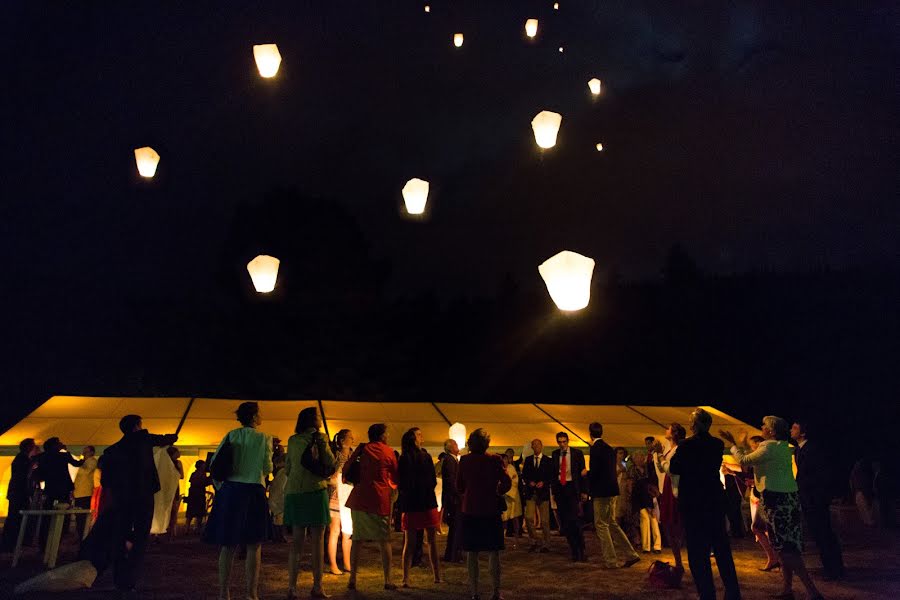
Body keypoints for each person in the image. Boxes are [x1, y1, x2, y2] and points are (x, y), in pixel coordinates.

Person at [724, 417, 824, 600]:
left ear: (770, 431)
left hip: (776, 500)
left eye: (764, 426)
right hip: (788, 498)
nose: (761, 427)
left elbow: (745, 460)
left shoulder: (768, 447)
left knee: (787, 549)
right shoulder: (783, 446)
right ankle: (787, 589)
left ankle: (813, 592)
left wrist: (733, 444)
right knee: (783, 545)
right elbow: (756, 460)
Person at [79, 415, 178, 594]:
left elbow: (106, 481)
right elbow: (165, 439)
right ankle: (129, 578)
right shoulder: (143, 440)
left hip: (122, 500)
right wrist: (172, 437)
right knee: (140, 537)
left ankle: (120, 576)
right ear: (136, 426)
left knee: (120, 534)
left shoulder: (112, 451)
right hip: (143, 497)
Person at [669, 409, 740, 600]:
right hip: (714, 499)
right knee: (722, 548)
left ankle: (707, 593)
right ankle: (733, 591)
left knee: (697, 552)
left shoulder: (686, 445)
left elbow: (674, 467)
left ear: (693, 425)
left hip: (693, 502)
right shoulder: (717, 444)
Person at [204, 402, 273, 600]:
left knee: (228, 544)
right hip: (254, 491)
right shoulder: (264, 438)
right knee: (254, 544)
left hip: (232, 491)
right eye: (259, 414)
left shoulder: (231, 435)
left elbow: (216, 462)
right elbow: (267, 468)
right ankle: (252, 593)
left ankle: (223, 591)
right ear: (253, 417)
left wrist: (221, 488)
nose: (262, 417)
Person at [283, 407, 334, 599]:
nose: (321, 419)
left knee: (296, 542)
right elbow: (329, 462)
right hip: (315, 492)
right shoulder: (321, 438)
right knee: (318, 543)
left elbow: (288, 468)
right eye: (319, 416)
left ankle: (291, 588)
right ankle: (317, 587)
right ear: (313, 420)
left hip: (295, 493)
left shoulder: (293, 440)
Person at [343, 423, 399, 591]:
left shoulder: (362, 449)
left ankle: (352, 578)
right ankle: (388, 579)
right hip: (379, 499)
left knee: (357, 539)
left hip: (359, 498)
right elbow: (395, 476)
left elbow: (346, 468)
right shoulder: (388, 451)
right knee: (384, 540)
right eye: (386, 433)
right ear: (382, 435)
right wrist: (392, 486)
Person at [457, 428, 512, 600]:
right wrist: (498, 491)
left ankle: (474, 592)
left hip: (471, 510)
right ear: (487, 443)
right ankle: (496, 592)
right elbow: (507, 482)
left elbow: (459, 486)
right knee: (493, 552)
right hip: (491, 510)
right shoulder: (494, 460)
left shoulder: (464, 460)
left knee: (472, 553)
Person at [791, 420, 844, 580]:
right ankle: (830, 567)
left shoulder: (812, 450)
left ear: (803, 433)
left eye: (794, 428)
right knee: (819, 534)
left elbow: (820, 474)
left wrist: (818, 496)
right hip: (809, 498)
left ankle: (834, 569)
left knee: (824, 533)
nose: (790, 430)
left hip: (816, 499)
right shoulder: (799, 450)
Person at [586, 422, 640, 568]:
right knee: (611, 523)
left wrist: (587, 474)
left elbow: (596, 471)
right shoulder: (610, 449)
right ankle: (631, 554)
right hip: (611, 491)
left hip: (601, 492)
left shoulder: (595, 449)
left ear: (590, 434)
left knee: (601, 525)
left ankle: (611, 560)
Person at [397, 427, 442, 587]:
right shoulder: (425, 456)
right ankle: (436, 576)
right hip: (426, 501)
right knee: (431, 541)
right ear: (413, 439)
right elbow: (432, 480)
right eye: (419, 434)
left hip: (411, 503)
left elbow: (401, 483)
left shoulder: (404, 458)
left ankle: (405, 578)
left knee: (410, 542)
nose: (422, 436)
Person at [35, 437, 85, 548]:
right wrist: (70, 452)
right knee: (64, 512)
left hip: (50, 487)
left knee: (47, 514)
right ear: (55, 446)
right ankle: (61, 538)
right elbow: (77, 464)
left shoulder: (43, 457)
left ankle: (43, 542)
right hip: (63, 488)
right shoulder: (63, 456)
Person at [653, 423, 686, 571]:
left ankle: (679, 561)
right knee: (668, 524)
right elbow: (662, 468)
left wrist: (660, 455)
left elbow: (671, 470)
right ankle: (678, 561)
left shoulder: (679, 450)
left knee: (674, 524)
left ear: (674, 433)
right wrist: (657, 453)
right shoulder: (669, 449)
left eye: (669, 429)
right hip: (668, 485)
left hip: (675, 487)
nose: (666, 430)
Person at [550, 432, 588, 562]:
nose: (562, 444)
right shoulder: (555, 454)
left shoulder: (577, 453)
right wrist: (554, 492)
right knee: (565, 522)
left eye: (564, 441)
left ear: (568, 441)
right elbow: (553, 475)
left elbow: (583, 474)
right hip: (561, 489)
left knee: (575, 520)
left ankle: (580, 549)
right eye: (559, 442)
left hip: (572, 488)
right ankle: (573, 549)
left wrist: (584, 491)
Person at [1, 438, 39, 551]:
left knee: (15, 517)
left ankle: (11, 543)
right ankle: (10, 543)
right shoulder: (23, 460)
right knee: (15, 518)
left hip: (17, 493)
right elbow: (23, 477)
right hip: (19, 493)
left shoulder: (22, 459)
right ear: (30, 448)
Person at [327, 428, 354, 574]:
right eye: (350, 437)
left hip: (349, 495)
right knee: (335, 530)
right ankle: (333, 564)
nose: (353, 440)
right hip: (336, 496)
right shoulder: (336, 456)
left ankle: (347, 564)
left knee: (347, 531)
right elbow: (330, 477)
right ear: (343, 441)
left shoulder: (352, 456)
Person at [521, 438, 553, 553]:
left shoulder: (548, 461)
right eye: (534, 445)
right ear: (532, 447)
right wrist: (529, 481)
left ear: (541, 446)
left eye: (538, 445)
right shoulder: (528, 460)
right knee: (529, 517)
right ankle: (534, 540)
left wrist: (543, 482)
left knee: (545, 520)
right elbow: (524, 474)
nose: (536, 447)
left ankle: (546, 543)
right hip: (531, 492)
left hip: (543, 493)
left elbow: (551, 476)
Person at [631, 450, 661, 553]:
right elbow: (635, 490)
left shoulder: (649, 469)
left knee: (653, 520)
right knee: (645, 520)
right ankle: (647, 547)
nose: (639, 459)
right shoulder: (633, 471)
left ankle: (656, 546)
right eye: (637, 458)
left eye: (640, 457)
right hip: (640, 500)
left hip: (650, 498)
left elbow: (652, 486)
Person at [441, 438, 463, 563]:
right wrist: (460, 495)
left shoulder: (452, 460)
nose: (457, 445)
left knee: (455, 528)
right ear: (450, 448)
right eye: (455, 444)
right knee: (455, 527)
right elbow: (451, 481)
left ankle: (453, 553)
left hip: (453, 498)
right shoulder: (449, 460)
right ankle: (453, 554)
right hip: (454, 500)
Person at [72, 445, 98, 538]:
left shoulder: (92, 462)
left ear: (92, 453)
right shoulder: (85, 462)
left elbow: (85, 472)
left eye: (85, 452)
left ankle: (84, 536)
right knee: (79, 517)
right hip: (80, 493)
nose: (83, 454)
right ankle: (81, 536)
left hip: (85, 493)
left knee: (82, 517)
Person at [500, 454, 522, 540]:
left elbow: (515, 481)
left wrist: (507, 489)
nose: (504, 461)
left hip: (512, 495)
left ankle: (517, 533)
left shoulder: (511, 468)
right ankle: (502, 534)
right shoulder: (499, 468)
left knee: (514, 516)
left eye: (506, 459)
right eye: (503, 460)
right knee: (504, 517)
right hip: (504, 496)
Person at [185, 460, 211, 534]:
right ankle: (197, 529)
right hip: (198, 495)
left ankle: (187, 528)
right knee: (199, 513)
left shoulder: (194, 473)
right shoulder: (201, 474)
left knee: (190, 513)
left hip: (193, 494)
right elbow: (204, 483)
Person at [167, 446, 185, 540]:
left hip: (174, 488)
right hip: (169, 488)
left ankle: (171, 530)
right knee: (170, 510)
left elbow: (181, 476)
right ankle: (169, 530)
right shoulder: (167, 463)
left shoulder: (178, 463)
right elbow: (181, 476)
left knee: (173, 510)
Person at [269, 454, 287, 542]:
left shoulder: (281, 473)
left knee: (277, 518)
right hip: (279, 499)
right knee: (279, 518)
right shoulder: (283, 473)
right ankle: (278, 536)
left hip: (277, 499)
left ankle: (277, 536)